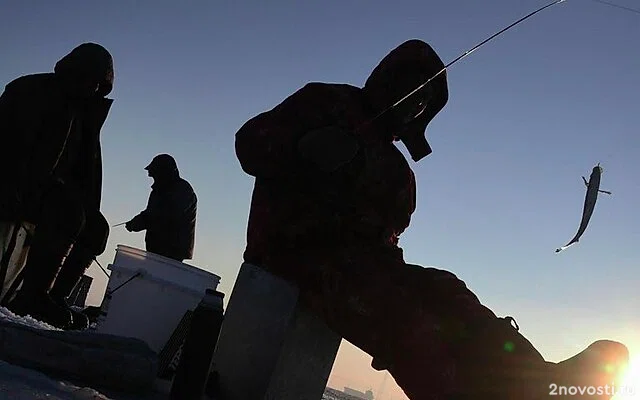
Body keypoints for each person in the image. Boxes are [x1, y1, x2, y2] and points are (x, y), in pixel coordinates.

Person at [234, 39, 629, 399]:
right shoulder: (324, 101)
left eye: (424, 100)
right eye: (409, 86)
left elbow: (386, 239)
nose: (413, 101)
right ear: (387, 77)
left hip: (368, 265)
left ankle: (541, 383)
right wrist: (303, 147)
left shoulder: (398, 171)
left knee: (447, 291)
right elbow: (249, 143)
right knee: (408, 319)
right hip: (292, 256)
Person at [0, 43, 114, 331]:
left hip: (51, 192)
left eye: (99, 85)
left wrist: (88, 207)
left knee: (97, 229)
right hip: (15, 184)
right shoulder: (30, 90)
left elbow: (86, 173)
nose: (93, 88)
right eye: (90, 79)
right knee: (67, 210)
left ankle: (55, 297)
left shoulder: (85, 115)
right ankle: (32, 295)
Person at [125, 154, 197, 262]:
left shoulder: (182, 189)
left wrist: (139, 222)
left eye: (154, 174)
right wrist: (137, 222)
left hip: (172, 252)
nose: (152, 177)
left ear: (163, 173)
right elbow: (151, 213)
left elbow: (165, 215)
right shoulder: (159, 190)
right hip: (156, 249)